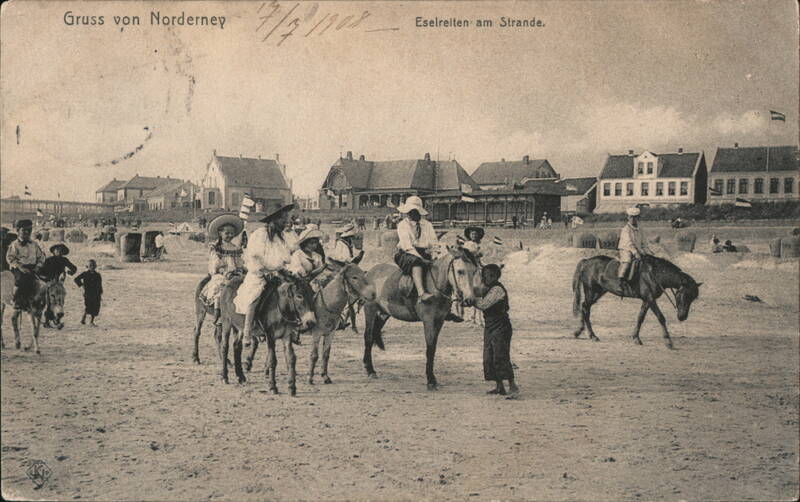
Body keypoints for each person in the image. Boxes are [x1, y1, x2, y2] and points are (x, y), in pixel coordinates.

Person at [234, 202, 298, 346]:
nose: (285, 222)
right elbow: (254, 257)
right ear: (273, 220)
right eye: (282, 219)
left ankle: (292, 328)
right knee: (254, 296)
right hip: (259, 273)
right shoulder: (259, 234)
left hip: (277, 274)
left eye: (286, 219)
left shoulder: (281, 238)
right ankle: (247, 331)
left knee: (294, 292)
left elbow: (285, 257)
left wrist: (284, 270)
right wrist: (264, 271)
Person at [473, 264, 518, 396]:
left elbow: (483, 304)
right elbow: (476, 292)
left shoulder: (497, 289)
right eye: (485, 275)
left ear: (495, 276)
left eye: (488, 275)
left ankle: (512, 385)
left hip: (501, 326)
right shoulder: (489, 288)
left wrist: (471, 300)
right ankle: (499, 386)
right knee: (489, 356)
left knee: (501, 355)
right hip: (490, 326)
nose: (485, 278)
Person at [200, 214, 245, 326]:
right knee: (221, 286)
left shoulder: (236, 248)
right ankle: (218, 312)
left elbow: (239, 262)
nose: (230, 235)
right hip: (221, 274)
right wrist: (224, 272)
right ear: (220, 233)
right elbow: (215, 264)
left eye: (232, 233)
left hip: (235, 273)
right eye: (227, 233)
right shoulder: (216, 247)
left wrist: (241, 270)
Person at [394, 195, 439, 302]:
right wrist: (421, 259)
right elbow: (407, 246)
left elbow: (434, 243)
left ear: (418, 212)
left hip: (424, 252)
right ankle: (421, 293)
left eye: (413, 211)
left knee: (440, 266)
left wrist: (435, 255)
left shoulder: (427, 225)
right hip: (406, 253)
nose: (409, 214)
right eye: (408, 211)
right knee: (417, 262)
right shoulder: (403, 225)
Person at [6, 219, 46, 310]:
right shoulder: (15, 245)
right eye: (24, 230)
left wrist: (38, 266)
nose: (27, 232)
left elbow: (41, 257)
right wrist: (20, 267)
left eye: (29, 230)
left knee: (44, 282)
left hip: (33, 268)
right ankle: (15, 300)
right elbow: (10, 258)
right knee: (20, 281)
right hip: (19, 268)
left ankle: (38, 302)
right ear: (18, 231)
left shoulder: (34, 244)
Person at [617, 206, 651, 284]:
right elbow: (629, 243)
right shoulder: (626, 229)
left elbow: (644, 242)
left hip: (637, 249)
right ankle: (621, 280)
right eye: (631, 217)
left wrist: (648, 251)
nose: (633, 219)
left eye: (635, 217)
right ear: (628, 218)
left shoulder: (640, 229)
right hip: (626, 249)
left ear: (638, 218)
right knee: (627, 261)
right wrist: (635, 253)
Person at [74, 259, 103, 326]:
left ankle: (91, 322)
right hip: (88, 293)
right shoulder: (85, 274)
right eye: (90, 265)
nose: (92, 267)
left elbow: (100, 284)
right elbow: (76, 279)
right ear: (87, 266)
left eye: (93, 265)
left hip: (96, 294)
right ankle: (83, 319)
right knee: (88, 306)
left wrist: (100, 293)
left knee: (96, 307)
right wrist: (81, 285)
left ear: (95, 266)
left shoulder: (98, 275)